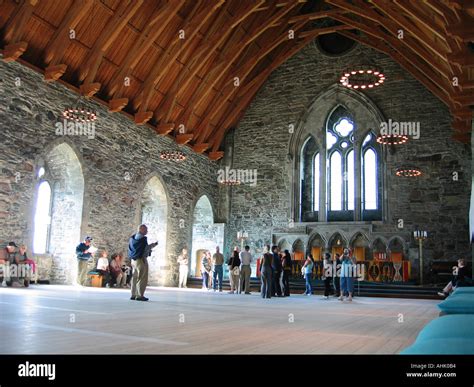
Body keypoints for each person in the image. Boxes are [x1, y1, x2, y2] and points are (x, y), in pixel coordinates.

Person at [128, 224, 158, 301]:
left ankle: (133, 294)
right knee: (142, 278)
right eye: (145, 229)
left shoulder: (133, 237)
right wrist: (153, 245)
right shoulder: (142, 239)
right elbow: (145, 249)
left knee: (134, 277)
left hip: (133, 260)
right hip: (141, 260)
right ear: (141, 229)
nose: (147, 231)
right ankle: (140, 295)